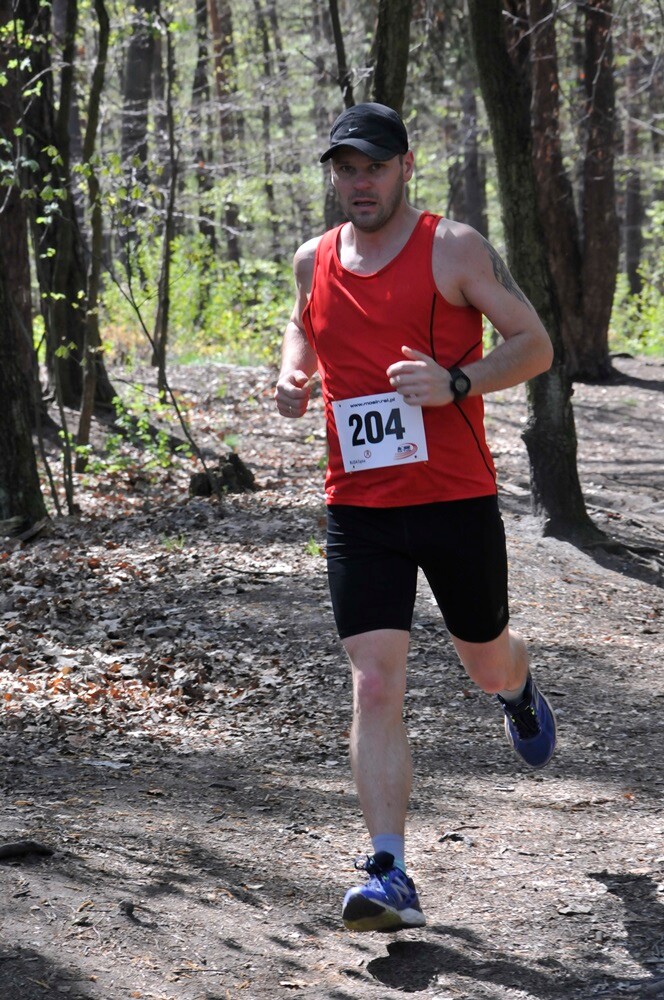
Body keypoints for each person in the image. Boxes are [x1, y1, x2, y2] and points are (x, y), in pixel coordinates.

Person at [274, 102, 557, 934]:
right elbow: (302, 325)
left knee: (487, 664)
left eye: (374, 167)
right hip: (359, 509)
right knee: (374, 682)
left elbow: (535, 343)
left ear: (405, 166)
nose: (360, 183)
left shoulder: (453, 248)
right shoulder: (313, 258)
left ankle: (518, 688)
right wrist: (292, 375)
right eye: (346, 169)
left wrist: (458, 381)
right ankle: (389, 870)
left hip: (454, 499)